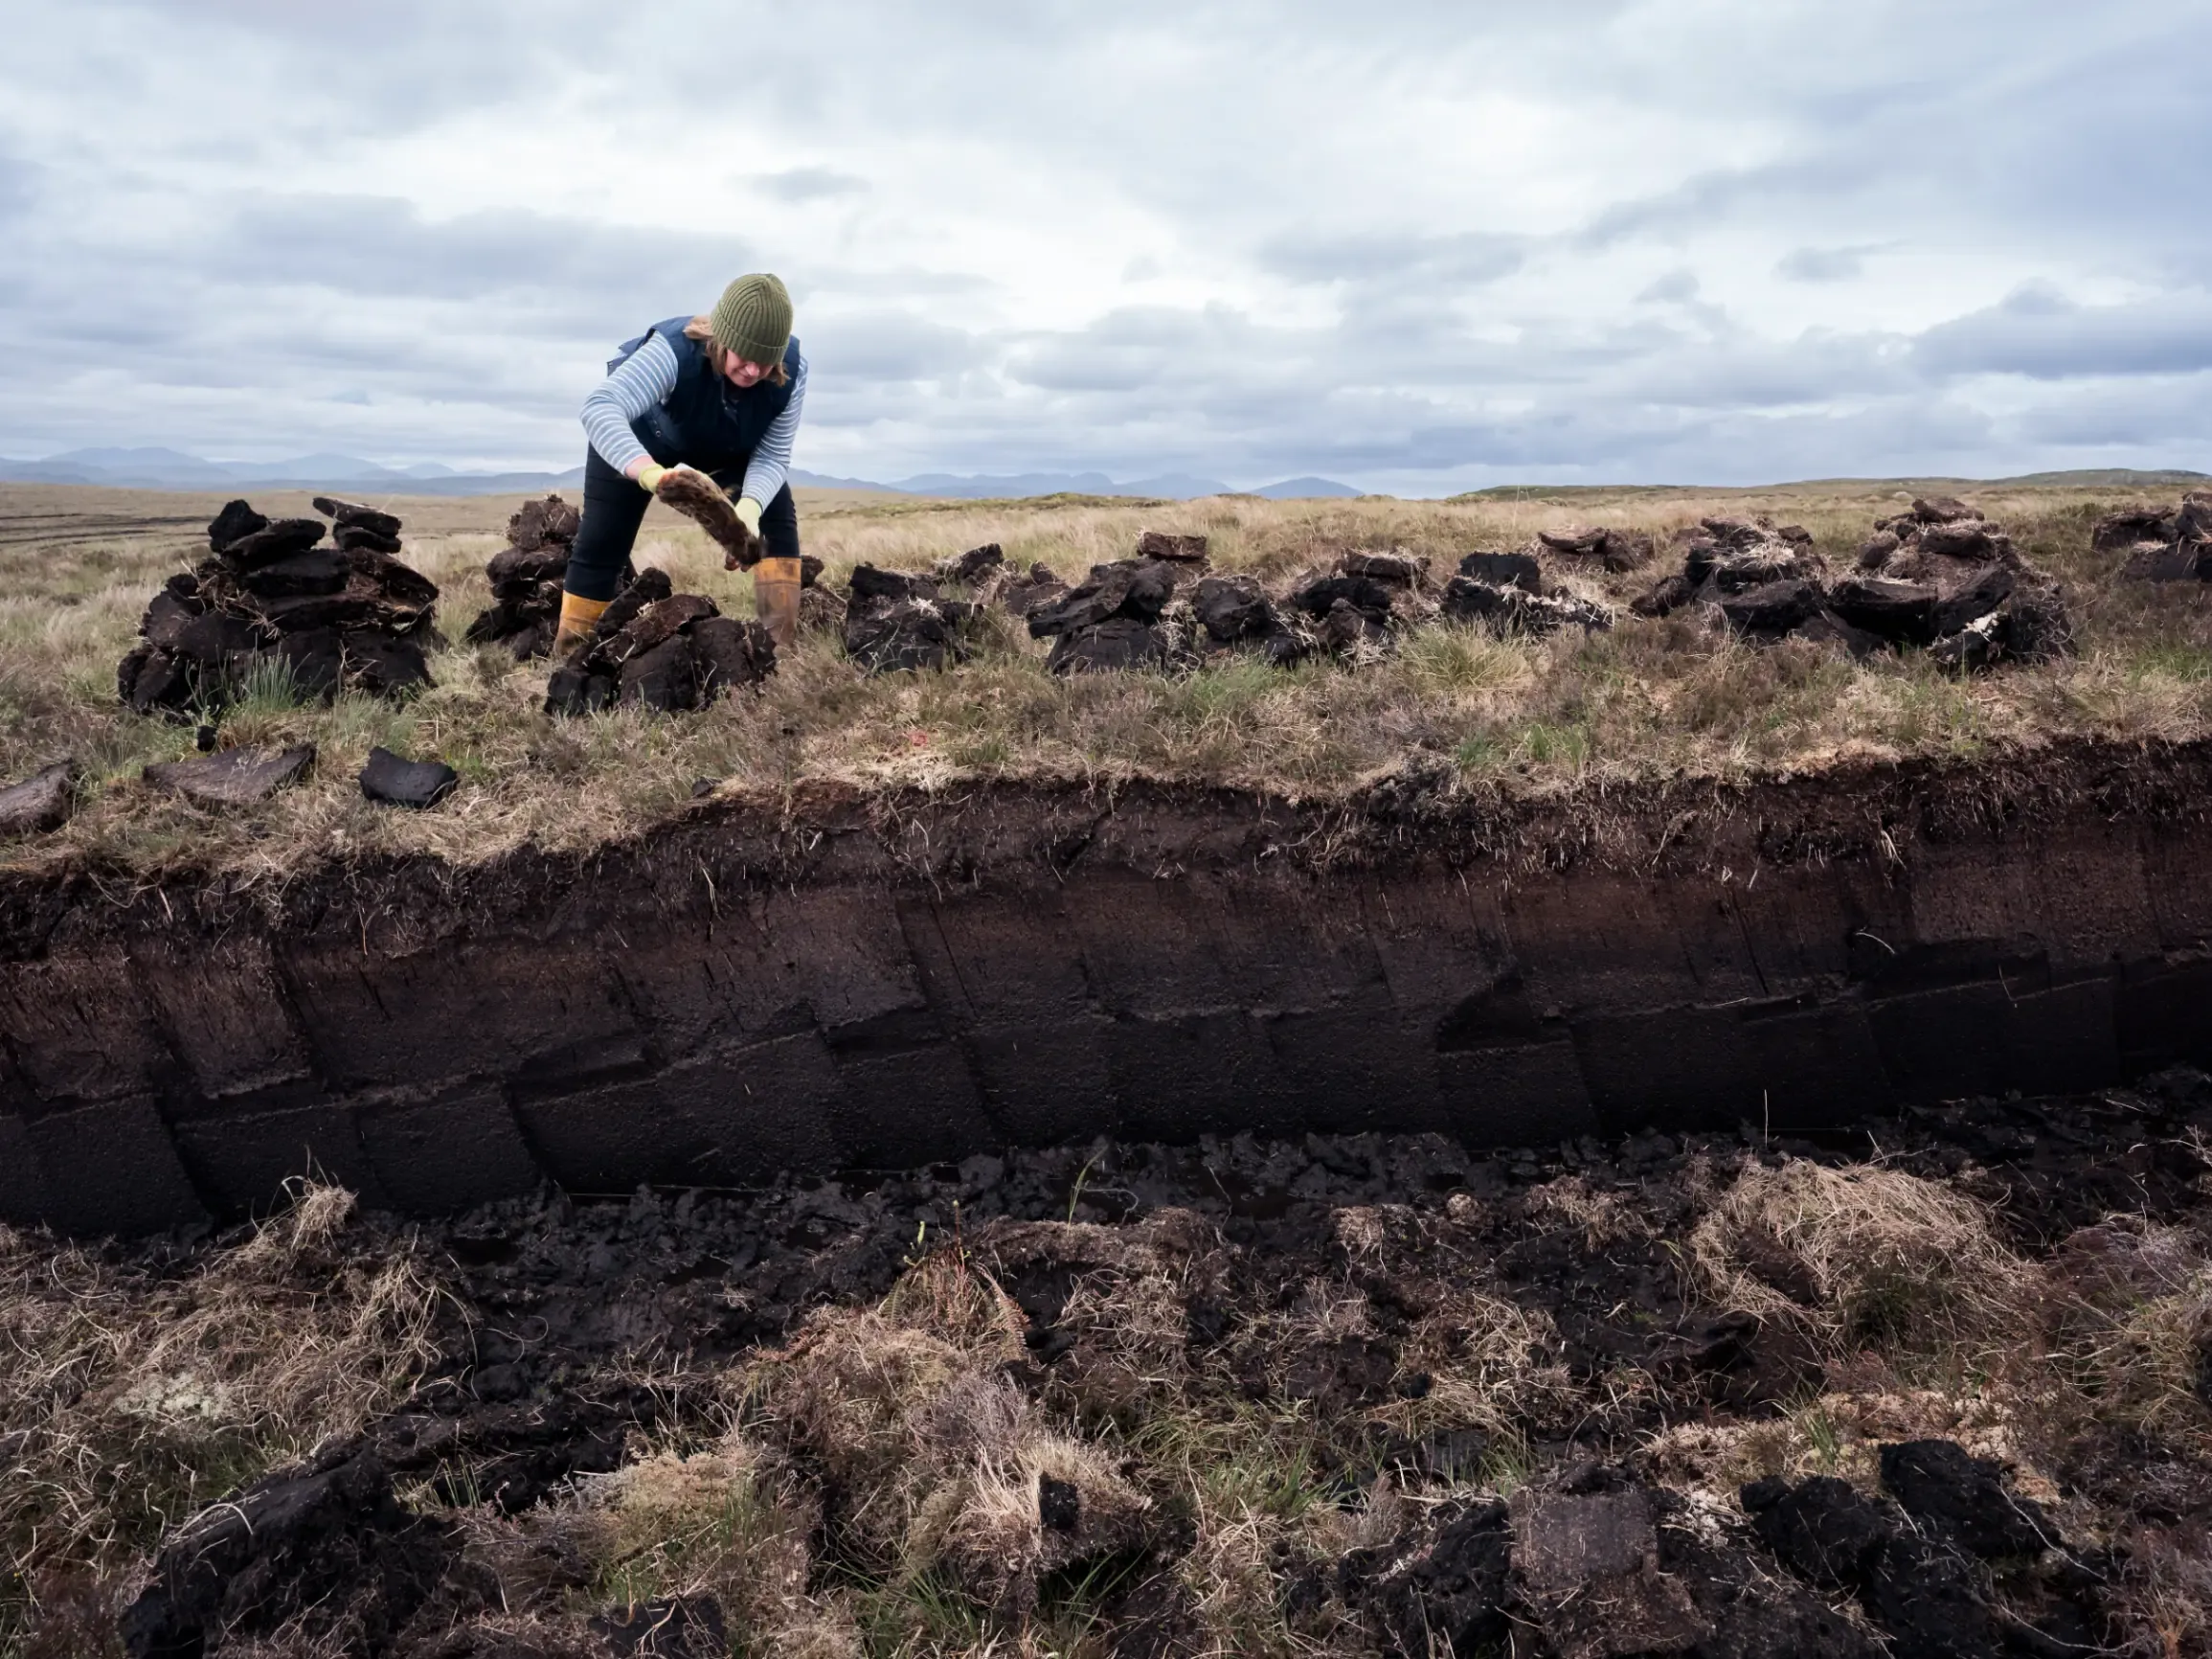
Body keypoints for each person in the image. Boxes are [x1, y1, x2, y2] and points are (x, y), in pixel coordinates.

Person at [556, 273, 807, 650]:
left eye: (767, 361)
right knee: (602, 545)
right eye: (745, 356)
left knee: (778, 524)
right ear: (721, 338)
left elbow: (772, 454)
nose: (755, 371)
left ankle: (781, 649)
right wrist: (651, 474)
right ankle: (572, 656)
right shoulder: (672, 352)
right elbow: (600, 408)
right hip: (642, 441)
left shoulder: (793, 372)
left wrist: (750, 511)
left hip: (725, 448)